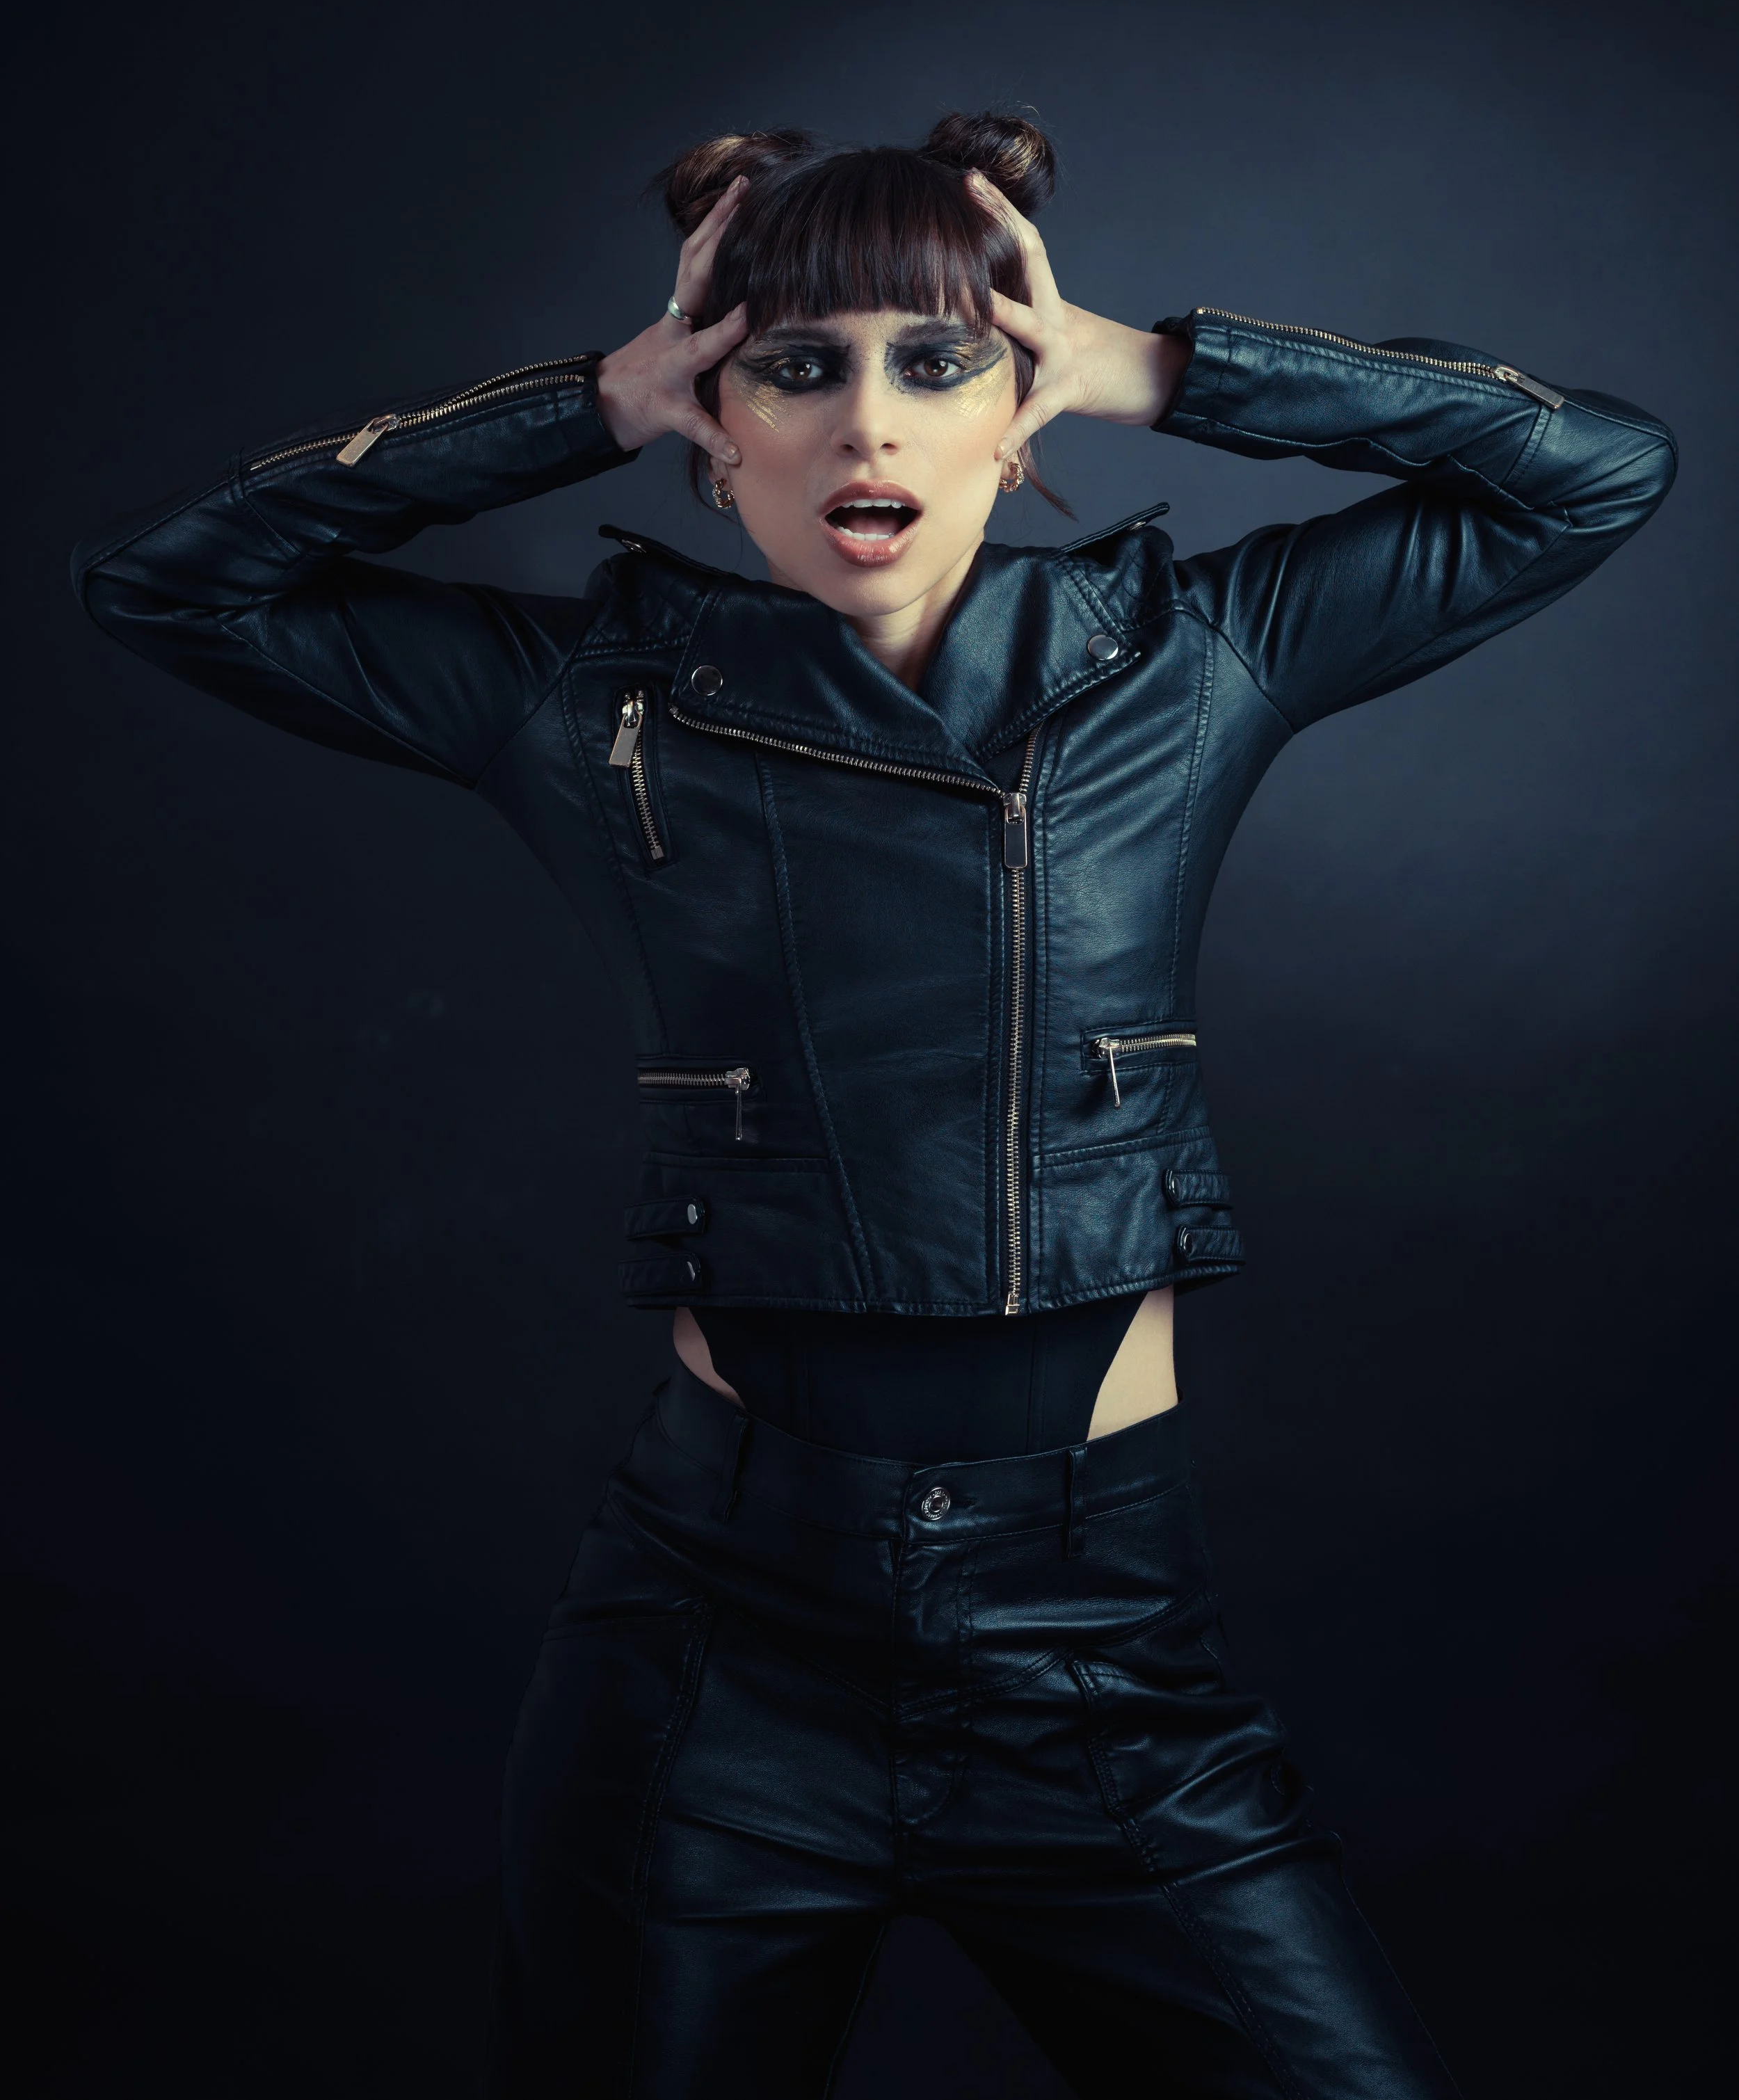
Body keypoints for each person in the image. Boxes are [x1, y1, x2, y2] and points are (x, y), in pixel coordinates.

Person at [73, 112, 1676, 2097]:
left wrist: (1159, 368)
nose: (867, 427)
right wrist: (583, 403)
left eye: (937, 361)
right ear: (712, 428)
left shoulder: (1193, 658)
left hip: (1097, 1652)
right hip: (718, 1657)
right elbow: (171, 587)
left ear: (1017, 415)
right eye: (794, 368)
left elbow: (1594, 471)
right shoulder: (587, 700)